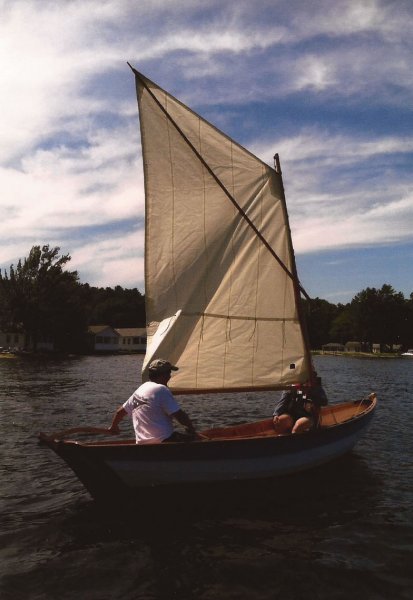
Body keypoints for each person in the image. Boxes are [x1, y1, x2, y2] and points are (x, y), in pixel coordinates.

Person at [108, 358, 198, 444]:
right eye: (169, 373)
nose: (170, 376)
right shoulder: (161, 389)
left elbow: (119, 412)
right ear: (164, 375)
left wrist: (113, 427)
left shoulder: (142, 388)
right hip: (165, 441)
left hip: (141, 443)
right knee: (193, 439)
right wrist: (192, 431)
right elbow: (180, 415)